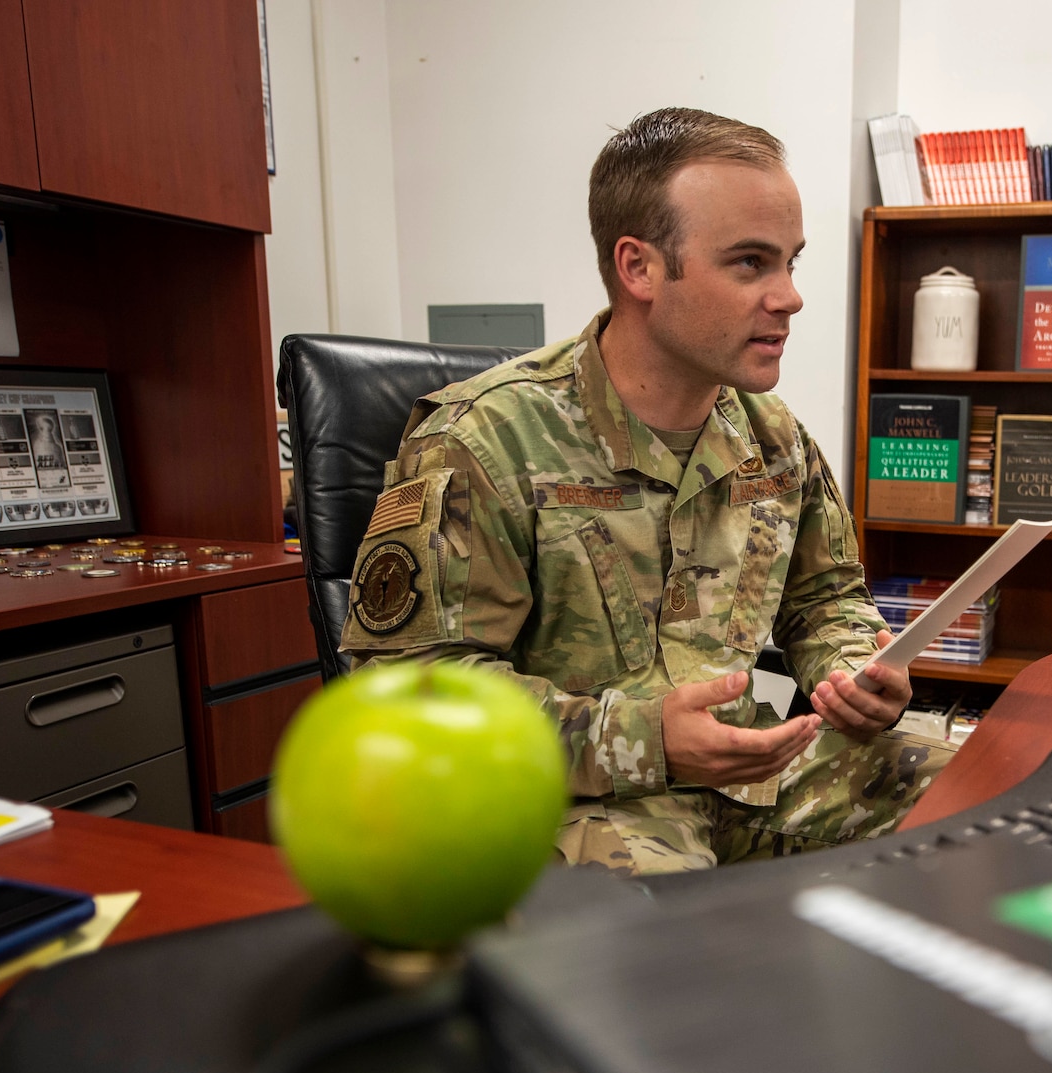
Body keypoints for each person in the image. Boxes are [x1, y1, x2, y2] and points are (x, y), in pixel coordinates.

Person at [342, 107, 955, 875]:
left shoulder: (773, 436)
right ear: (639, 269)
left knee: (979, 800)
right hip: (583, 797)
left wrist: (851, 667)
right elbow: (410, 697)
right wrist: (644, 736)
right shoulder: (483, 440)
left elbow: (826, 596)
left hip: (752, 772)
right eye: (750, 263)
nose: (790, 297)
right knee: (663, 934)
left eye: (792, 262)